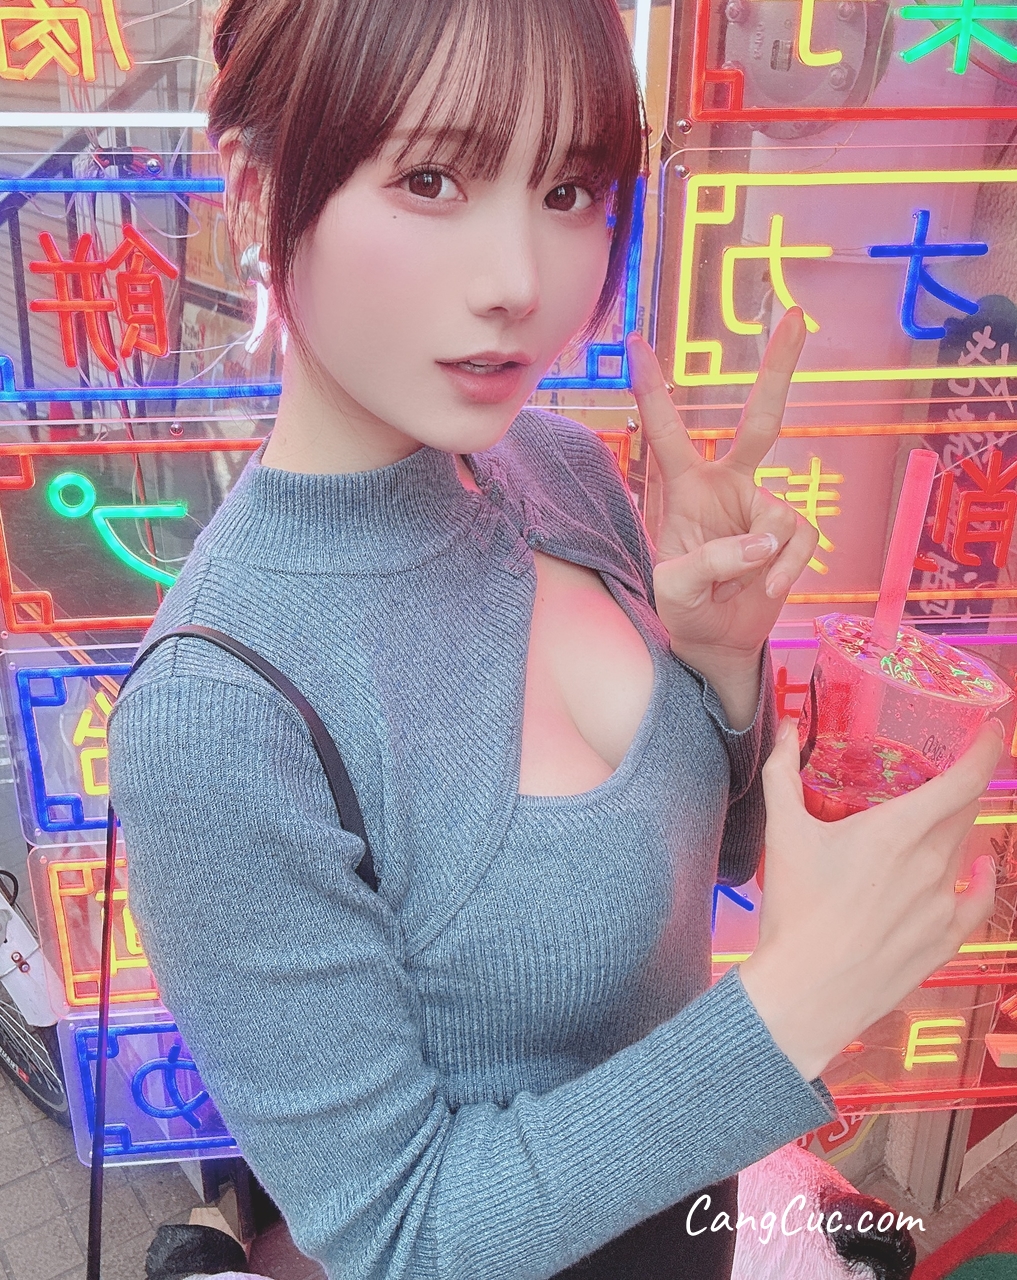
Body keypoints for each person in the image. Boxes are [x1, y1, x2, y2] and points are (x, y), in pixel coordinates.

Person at [107, 0, 1002, 1277]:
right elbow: (400, 1232)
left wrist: (720, 667)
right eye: (431, 179)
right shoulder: (218, 711)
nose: (520, 281)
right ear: (255, 192)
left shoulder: (560, 470)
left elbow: (709, 853)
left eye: (569, 189)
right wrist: (796, 1003)